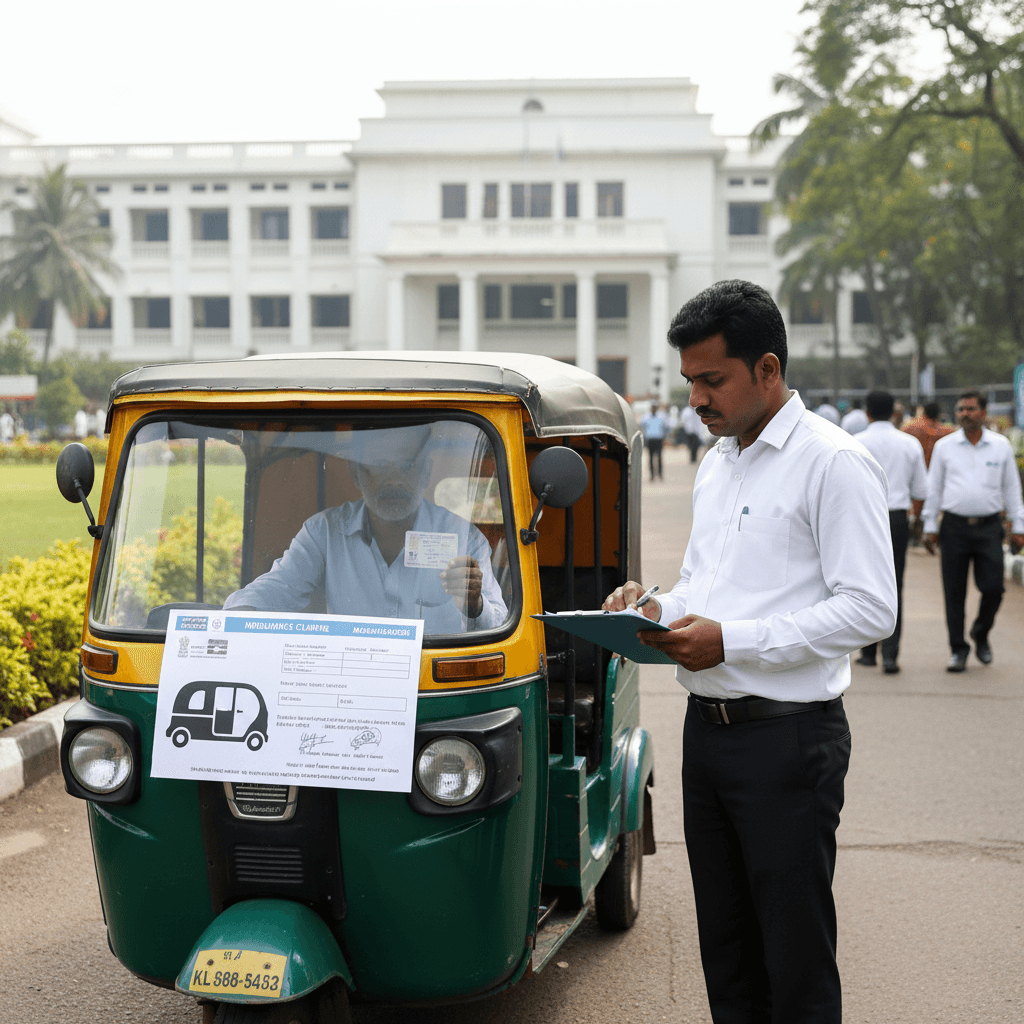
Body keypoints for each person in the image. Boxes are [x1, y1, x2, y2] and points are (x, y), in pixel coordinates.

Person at [603, 279, 895, 1024]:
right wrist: (653, 608)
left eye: (712, 380)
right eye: (690, 382)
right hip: (709, 738)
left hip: (788, 741)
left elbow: (871, 608)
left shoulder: (834, 462)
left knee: (793, 958)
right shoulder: (720, 462)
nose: (697, 398)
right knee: (727, 954)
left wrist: (734, 640)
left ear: (767, 369)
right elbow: (710, 584)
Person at [224, 425, 507, 634]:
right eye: (380, 466)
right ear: (356, 474)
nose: (395, 480)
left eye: (407, 465)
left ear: (425, 473)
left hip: (434, 686)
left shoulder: (463, 538)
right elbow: (277, 589)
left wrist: (474, 604)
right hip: (352, 684)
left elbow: (499, 624)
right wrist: (225, 624)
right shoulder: (325, 533)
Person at [922, 391, 1024, 672]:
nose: (964, 414)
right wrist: (930, 526)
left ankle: (980, 633)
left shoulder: (1000, 446)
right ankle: (958, 649)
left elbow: (1012, 489)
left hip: (989, 527)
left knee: (994, 588)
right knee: (953, 593)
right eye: (960, 409)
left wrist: (1019, 526)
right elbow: (934, 488)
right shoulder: (945, 446)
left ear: (983, 412)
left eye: (970, 409)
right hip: (953, 527)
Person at [854, 390, 928, 674]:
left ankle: (868, 651)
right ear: (895, 413)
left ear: (868, 413)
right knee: (894, 584)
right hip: (896, 517)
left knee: (862, 581)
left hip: (863, 516)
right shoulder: (909, 444)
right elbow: (921, 490)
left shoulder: (855, 442)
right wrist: (917, 520)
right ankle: (890, 655)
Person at [901, 400, 953, 468]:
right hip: (936, 469)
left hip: (915, 468)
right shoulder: (946, 432)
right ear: (938, 414)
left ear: (924, 412)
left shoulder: (910, 428)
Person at [640, 400, 669, 480]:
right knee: (650, 457)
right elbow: (642, 426)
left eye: (655, 407)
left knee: (659, 457)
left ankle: (660, 474)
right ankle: (652, 475)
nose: (654, 408)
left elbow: (666, 427)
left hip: (659, 439)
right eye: (652, 407)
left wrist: (665, 436)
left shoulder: (661, 417)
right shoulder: (646, 416)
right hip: (650, 440)